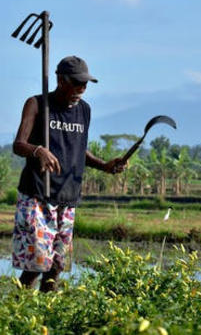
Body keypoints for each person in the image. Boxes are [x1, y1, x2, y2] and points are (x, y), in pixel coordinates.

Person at [12, 55, 126, 292]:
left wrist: (105, 165)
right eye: (77, 83)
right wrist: (38, 150)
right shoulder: (37, 104)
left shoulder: (84, 110)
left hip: (68, 195)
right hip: (38, 194)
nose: (82, 89)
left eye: (85, 84)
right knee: (37, 264)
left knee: (57, 264)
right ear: (61, 80)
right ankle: (15, 312)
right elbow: (18, 145)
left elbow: (78, 148)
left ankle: (49, 314)